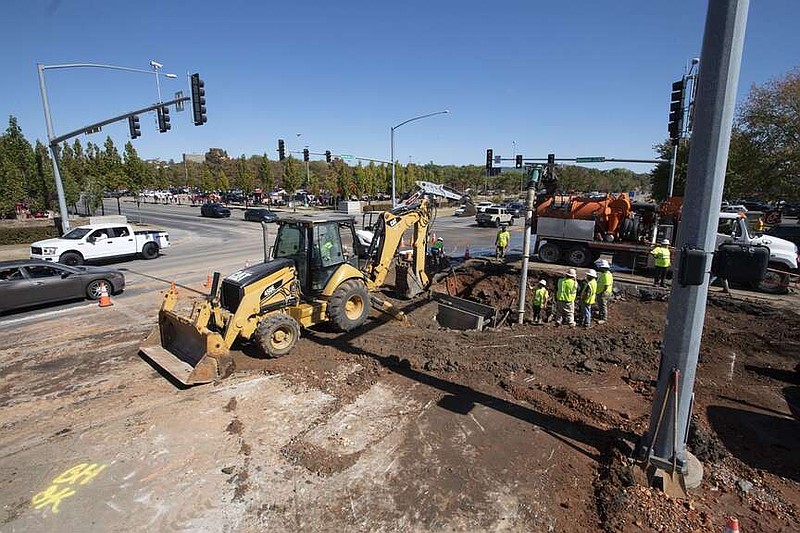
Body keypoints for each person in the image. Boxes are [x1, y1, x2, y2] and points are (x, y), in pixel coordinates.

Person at [594, 259, 613, 324]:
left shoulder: (606, 275)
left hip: (604, 292)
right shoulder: (607, 273)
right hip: (603, 292)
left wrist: (602, 293)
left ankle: (604, 318)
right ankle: (600, 314)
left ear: (603, 268)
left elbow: (606, 286)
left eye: (600, 267)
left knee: (603, 305)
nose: (599, 268)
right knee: (601, 304)